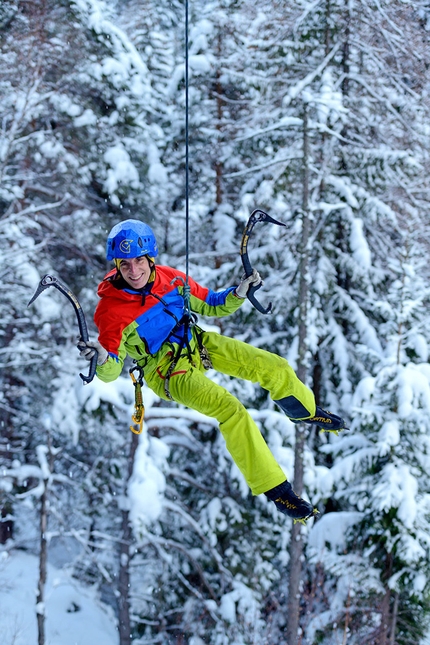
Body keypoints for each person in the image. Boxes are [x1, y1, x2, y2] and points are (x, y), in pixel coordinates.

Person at [78, 219, 346, 521]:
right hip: (165, 371)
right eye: (125, 264)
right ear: (116, 264)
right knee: (231, 409)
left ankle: (304, 410)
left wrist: (240, 292)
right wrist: (101, 357)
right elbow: (111, 369)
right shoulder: (111, 311)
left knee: (273, 365)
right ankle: (278, 492)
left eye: (139, 260)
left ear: (150, 257)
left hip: (197, 344)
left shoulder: (173, 280)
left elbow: (212, 304)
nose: (134, 271)